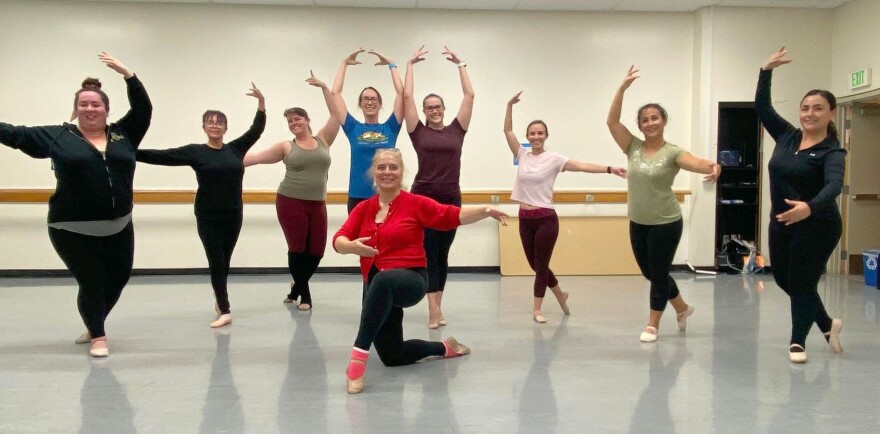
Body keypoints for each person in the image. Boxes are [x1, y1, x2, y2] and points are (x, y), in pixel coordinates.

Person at [0, 53, 151, 357]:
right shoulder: (57, 136)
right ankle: (98, 335)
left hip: (119, 225)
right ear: (75, 109)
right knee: (92, 280)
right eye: (83, 104)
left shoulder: (124, 134)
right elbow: (14, 134)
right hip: (71, 226)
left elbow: (144, 108)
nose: (90, 108)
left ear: (107, 110)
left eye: (96, 104)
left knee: (118, 279)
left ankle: (93, 321)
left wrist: (128, 75)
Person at [333, 148, 508, 394]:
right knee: (392, 356)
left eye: (393, 167)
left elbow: (450, 215)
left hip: (411, 279)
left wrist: (485, 211)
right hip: (377, 286)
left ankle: (357, 361)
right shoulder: (364, 208)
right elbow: (339, 239)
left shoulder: (414, 203)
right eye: (381, 167)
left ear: (401, 172)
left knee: (382, 280)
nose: (387, 172)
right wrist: (350, 246)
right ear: (374, 172)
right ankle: (444, 348)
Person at [606, 65, 720, 343]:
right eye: (644, 120)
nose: (650, 123)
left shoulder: (673, 153)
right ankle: (682, 308)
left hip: (666, 223)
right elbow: (612, 122)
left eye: (654, 118)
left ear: (663, 121)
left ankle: (652, 325)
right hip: (638, 221)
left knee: (658, 275)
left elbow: (696, 162)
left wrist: (713, 166)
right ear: (640, 125)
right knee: (650, 272)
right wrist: (621, 89)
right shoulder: (632, 147)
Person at [136, 84, 266, 328]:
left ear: (226, 127)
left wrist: (261, 103)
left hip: (233, 213)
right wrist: (128, 151)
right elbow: (163, 156)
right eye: (210, 121)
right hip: (207, 215)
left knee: (225, 260)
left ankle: (219, 298)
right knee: (216, 260)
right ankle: (225, 309)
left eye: (219, 122)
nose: (215, 125)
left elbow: (256, 130)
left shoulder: (235, 149)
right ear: (204, 127)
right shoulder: (196, 152)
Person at [504, 91, 627, 323]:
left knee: (541, 265)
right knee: (534, 264)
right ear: (528, 136)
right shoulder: (522, 154)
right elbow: (507, 131)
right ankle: (561, 294)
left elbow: (581, 166)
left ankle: (537, 309)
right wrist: (509, 106)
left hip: (546, 219)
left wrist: (610, 168)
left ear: (546, 135)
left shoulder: (554, 159)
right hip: (524, 218)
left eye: (540, 133)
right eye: (532, 133)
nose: (536, 136)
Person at [757, 47, 846, 364]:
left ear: (831, 114)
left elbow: (834, 185)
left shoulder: (832, 152)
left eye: (818, 108)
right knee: (784, 279)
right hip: (780, 221)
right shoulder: (787, 137)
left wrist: (808, 207)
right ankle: (827, 324)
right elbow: (763, 108)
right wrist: (765, 71)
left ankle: (798, 342)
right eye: (806, 107)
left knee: (803, 282)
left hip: (818, 225)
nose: (810, 113)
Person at [244, 72, 339, 311]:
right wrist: (223, 156)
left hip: (317, 203)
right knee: (298, 249)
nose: (294, 123)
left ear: (307, 120)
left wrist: (325, 88)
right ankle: (305, 295)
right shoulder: (286, 146)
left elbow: (337, 114)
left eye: (297, 119)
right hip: (290, 202)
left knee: (317, 251)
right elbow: (253, 159)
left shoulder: (324, 139)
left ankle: (296, 287)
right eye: (290, 122)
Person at [403, 45, 474, 329]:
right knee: (428, 253)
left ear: (444, 109)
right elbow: (406, 96)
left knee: (442, 256)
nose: (433, 110)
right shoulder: (417, 132)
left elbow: (470, 96)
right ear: (424, 111)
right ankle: (433, 310)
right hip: (422, 200)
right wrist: (410, 64)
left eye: (437, 106)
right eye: (429, 107)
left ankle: (437, 306)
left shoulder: (457, 130)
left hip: (450, 200)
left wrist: (461, 64)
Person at [328, 49, 404, 213]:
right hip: (358, 198)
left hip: (387, 196)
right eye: (365, 98)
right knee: (357, 239)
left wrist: (392, 64)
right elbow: (335, 93)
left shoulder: (391, 127)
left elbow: (401, 93)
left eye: (373, 98)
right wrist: (344, 63)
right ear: (360, 104)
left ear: (380, 103)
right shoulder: (353, 127)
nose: (369, 102)